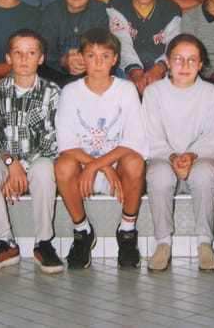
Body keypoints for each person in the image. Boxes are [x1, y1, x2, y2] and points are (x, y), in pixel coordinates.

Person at [54, 28, 148, 269]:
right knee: (63, 166)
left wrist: (100, 165)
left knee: (135, 162)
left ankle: (127, 231)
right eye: (91, 56)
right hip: (83, 169)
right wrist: (99, 167)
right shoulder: (70, 92)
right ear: (81, 58)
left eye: (105, 56)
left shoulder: (126, 90)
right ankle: (82, 230)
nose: (98, 63)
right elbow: (66, 145)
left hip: (117, 169)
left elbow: (134, 141)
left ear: (115, 59)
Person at [0, 29, 63, 274]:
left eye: (31, 53)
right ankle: (5, 242)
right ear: (8, 58)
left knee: (44, 168)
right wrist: (11, 163)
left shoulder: (52, 93)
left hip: (37, 162)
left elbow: (53, 141)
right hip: (6, 161)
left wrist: (21, 168)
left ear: (41, 58)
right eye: (18, 53)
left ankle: (43, 242)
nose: (24, 59)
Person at [144, 34, 214, 272]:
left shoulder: (211, 93)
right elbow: (152, 137)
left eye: (192, 60)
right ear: (167, 62)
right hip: (163, 158)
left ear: (201, 64)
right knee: (159, 176)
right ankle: (163, 242)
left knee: (205, 174)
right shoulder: (154, 92)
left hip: (199, 159)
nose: (185, 66)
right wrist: (172, 157)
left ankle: (204, 242)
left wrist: (190, 156)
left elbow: (213, 139)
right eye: (178, 59)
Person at [107, 0, 181, 95]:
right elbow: (122, 42)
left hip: (162, 69)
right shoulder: (117, 5)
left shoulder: (170, 9)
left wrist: (159, 69)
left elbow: (174, 44)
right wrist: (135, 72)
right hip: (126, 69)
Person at [39, 0, 108, 86]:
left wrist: (84, 60)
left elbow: (103, 47)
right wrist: (63, 60)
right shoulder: (52, 10)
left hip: (90, 69)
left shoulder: (100, 10)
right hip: (57, 71)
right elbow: (46, 49)